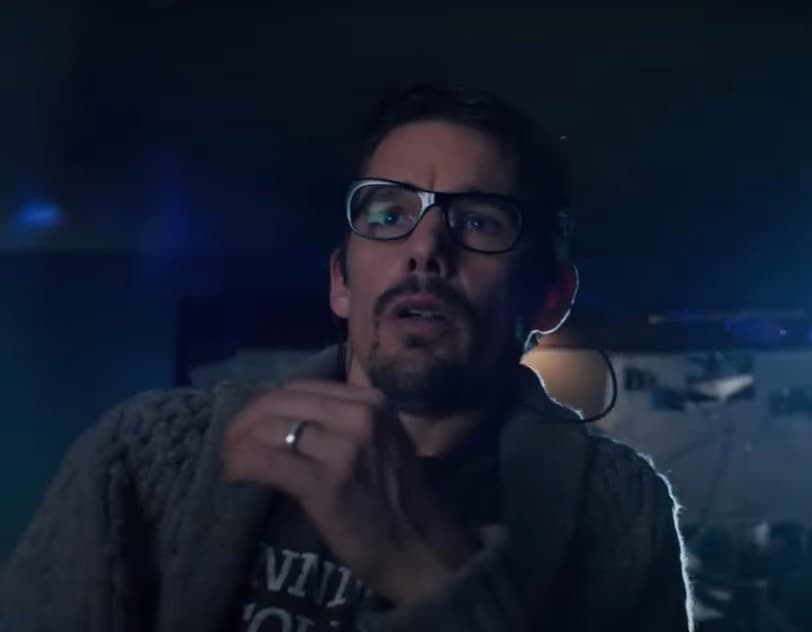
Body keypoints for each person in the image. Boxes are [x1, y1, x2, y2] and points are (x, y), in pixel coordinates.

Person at [0, 83, 692, 631]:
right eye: (388, 214)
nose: (425, 248)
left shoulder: (620, 514)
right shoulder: (146, 455)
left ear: (549, 297)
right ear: (340, 282)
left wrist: (430, 575)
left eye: (479, 221)